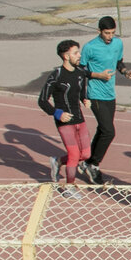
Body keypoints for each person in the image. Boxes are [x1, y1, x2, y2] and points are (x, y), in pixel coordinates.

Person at [79, 16, 131, 183]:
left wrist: (125, 71)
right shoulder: (90, 47)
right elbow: (80, 71)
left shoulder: (118, 44)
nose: (110, 36)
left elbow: (118, 62)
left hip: (110, 94)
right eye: (107, 33)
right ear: (99, 31)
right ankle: (93, 164)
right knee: (109, 131)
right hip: (95, 94)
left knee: (103, 130)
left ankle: (87, 163)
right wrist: (97, 76)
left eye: (112, 33)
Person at [36, 39, 93, 199]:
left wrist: (85, 99)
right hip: (64, 122)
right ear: (66, 56)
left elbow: (81, 91)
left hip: (79, 119)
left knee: (86, 154)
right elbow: (42, 100)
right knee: (74, 154)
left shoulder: (80, 72)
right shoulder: (56, 76)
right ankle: (69, 186)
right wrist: (57, 113)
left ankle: (58, 161)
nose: (79, 55)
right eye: (76, 53)